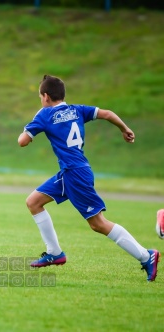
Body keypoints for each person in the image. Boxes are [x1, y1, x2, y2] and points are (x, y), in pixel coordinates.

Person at [18, 74, 159, 282]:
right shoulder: (77, 110)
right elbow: (108, 113)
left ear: (46, 96)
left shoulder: (45, 115)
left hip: (75, 174)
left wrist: (34, 120)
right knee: (34, 202)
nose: (41, 100)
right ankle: (55, 253)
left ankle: (147, 256)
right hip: (71, 171)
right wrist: (125, 129)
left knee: (98, 224)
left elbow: (22, 141)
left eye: (40, 97)